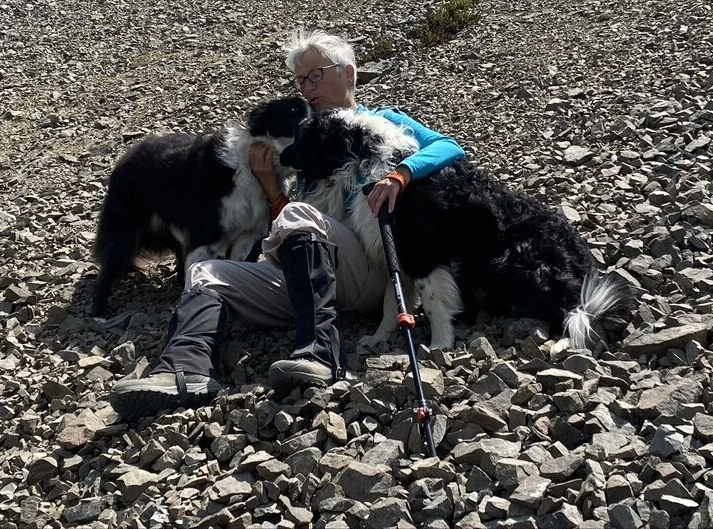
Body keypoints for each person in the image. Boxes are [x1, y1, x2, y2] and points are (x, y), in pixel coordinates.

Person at [109, 29, 464, 418]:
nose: (307, 88)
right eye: (300, 80)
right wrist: (268, 187)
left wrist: (401, 174)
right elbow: (295, 228)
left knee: (298, 216)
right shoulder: (306, 148)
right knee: (207, 272)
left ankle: (320, 354)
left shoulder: (383, 121)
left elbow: (449, 146)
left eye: (316, 75)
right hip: (312, 277)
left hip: (377, 272)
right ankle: (185, 367)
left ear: (349, 75)